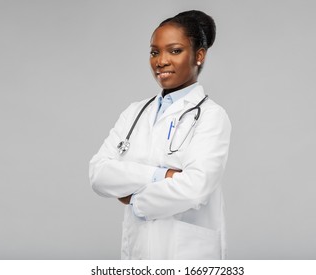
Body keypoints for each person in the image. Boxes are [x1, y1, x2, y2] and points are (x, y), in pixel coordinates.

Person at [89, 10, 231, 260]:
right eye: (155, 52)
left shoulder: (211, 116)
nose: (161, 61)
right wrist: (162, 175)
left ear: (199, 56)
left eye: (174, 51)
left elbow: (195, 188)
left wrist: (134, 199)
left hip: (187, 253)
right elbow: (99, 174)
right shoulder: (134, 112)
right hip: (139, 248)